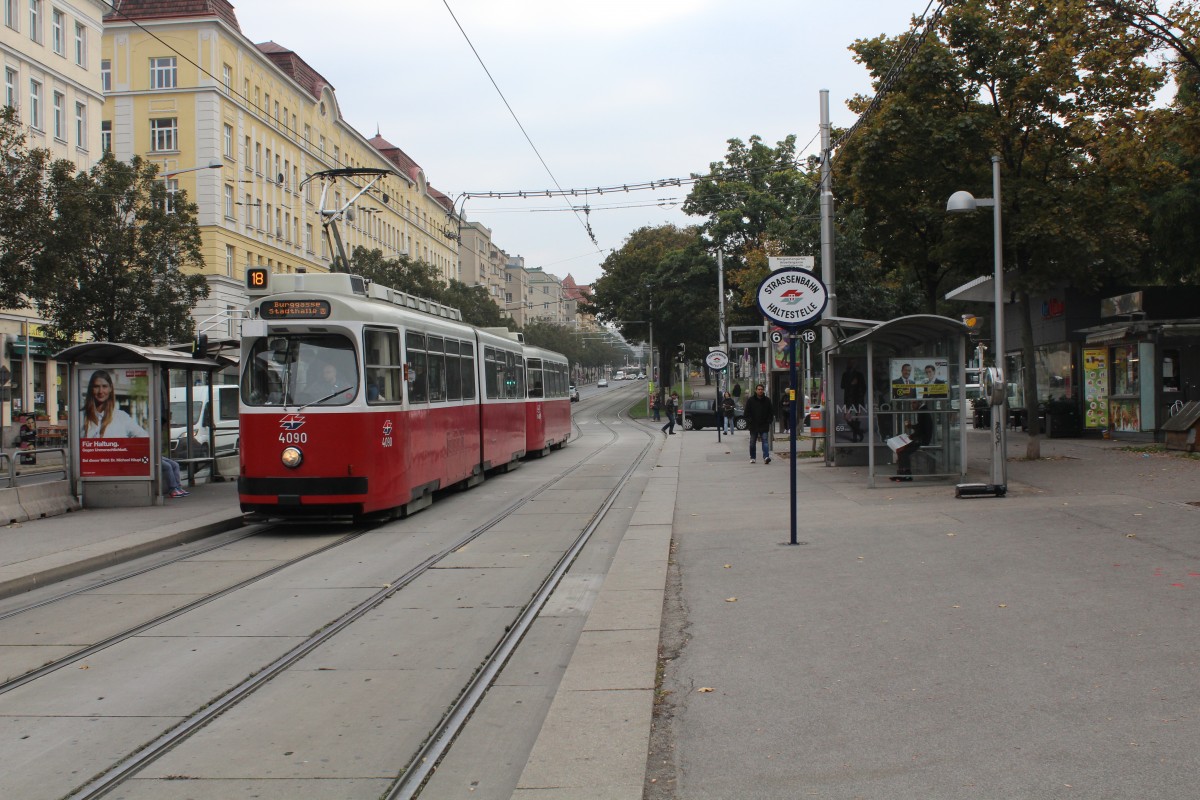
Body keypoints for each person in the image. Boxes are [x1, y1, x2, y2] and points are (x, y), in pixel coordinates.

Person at [81, 369, 148, 438]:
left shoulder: (122, 417)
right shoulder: (80, 416)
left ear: (110, 388)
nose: (100, 391)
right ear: (91, 389)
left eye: (104, 386)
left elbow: (144, 436)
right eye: (96, 386)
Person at [892, 401, 934, 481]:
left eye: (914, 403)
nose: (912, 405)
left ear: (919, 403)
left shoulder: (922, 412)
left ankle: (906, 475)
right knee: (901, 451)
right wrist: (912, 430)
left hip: (921, 439)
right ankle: (902, 473)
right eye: (911, 403)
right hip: (920, 438)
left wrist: (912, 434)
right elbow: (921, 427)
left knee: (903, 452)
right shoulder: (922, 411)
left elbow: (922, 428)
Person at [743, 383, 773, 464]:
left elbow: (771, 412)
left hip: (764, 424)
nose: (760, 391)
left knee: (765, 441)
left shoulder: (767, 400)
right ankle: (752, 457)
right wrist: (750, 421)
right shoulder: (750, 400)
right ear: (756, 390)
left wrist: (769, 421)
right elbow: (746, 413)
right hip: (754, 425)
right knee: (752, 442)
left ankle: (766, 457)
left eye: (761, 389)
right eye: (758, 389)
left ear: (763, 391)